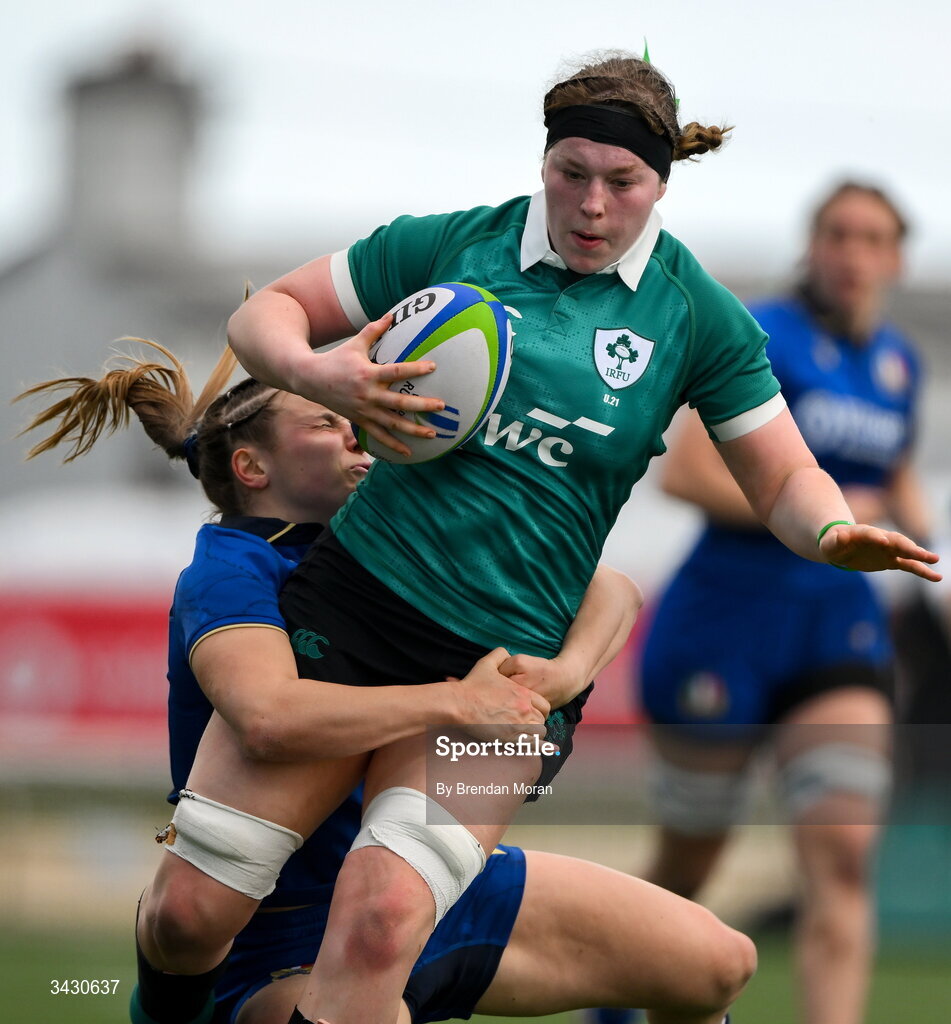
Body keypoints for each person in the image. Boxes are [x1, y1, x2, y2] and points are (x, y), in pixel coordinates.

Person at [225, 50, 939, 1024]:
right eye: (572, 173)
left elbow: (781, 470)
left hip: (512, 672)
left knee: (384, 914)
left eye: (623, 182)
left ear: (661, 184)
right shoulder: (454, 244)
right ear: (545, 160)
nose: (593, 203)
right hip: (353, 612)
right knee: (194, 911)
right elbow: (264, 312)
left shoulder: (699, 316)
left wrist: (829, 528)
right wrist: (322, 374)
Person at [16, 340, 755, 1024]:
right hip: (284, 936)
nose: (356, 432)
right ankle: (176, 1000)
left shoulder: (402, 535)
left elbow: (611, 590)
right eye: (326, 420)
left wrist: (562, 674)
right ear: (252, 468)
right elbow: (268, 715)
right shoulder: (231, 567)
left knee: (718, 964)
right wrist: (457, 702)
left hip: (428, 881)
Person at [625, 180, 929, 1024]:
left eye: (872, 238)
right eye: (837, 234)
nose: (852, 253)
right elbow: (685, 473)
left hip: (836, 631)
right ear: (813, 245)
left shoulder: (900, 364)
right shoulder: (761, 336)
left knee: (840, 859)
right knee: (690, 869)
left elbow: (897, 482)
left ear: (895, 258)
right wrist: (828, 519)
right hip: (722, 629)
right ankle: (615, 992)